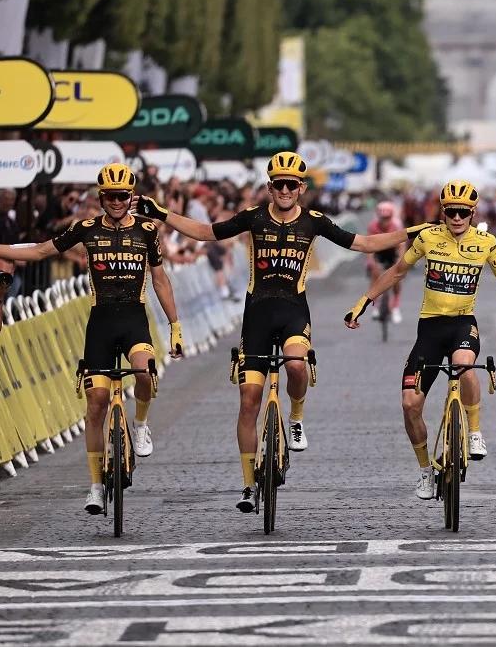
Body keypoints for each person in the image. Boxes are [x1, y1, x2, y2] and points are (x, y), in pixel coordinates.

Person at [136, 152, 412, 512]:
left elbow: (362, 243)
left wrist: (409, 232)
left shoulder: (314, 221)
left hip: (293, 312)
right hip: (257, 316)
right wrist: (161, 214)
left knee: (297, 366)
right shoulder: (253, 217)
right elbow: (206, 233)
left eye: (291, 185)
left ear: (300, 189)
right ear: (269, 188)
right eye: (278, 184)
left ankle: (295, 418)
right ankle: (248, 485)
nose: (284, 190)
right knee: (249, 400)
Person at [0, 163, 185, 515]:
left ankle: (142, 426)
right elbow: (39, 251)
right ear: (101, 198)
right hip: (100, 322)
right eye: (111, 196)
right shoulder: (85, 228)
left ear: (132, 197)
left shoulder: (147, 230)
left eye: (123, 196)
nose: (117, 201)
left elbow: (160, 281)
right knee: (96, 403)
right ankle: (96, 486)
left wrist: (175, 326)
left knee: (144, 373)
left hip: (134, 318)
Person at [344, 180, 496, 500]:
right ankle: (426, 469)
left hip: (463, 325)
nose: (456, 218)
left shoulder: (486, 242)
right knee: (410, 404)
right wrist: (364, 301)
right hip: (429, 328)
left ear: (472, 213)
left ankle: (476, 432)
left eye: (463, 212)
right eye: (451, 212)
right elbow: (397, 272)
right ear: (443, 212)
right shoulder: (428, 237)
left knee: (465, 366)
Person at [365, 200, 405, 323]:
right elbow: (368, 246)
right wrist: (371, 262)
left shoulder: (397, 225)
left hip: (393, 251)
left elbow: (402, 245)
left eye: (387, 218)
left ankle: (396, 307)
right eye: (383, 218)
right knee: (375, 274)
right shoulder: (373, 226)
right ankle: (375, 306)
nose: (385, 221)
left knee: (397, 277)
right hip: (379, 251)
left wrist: (400, 262)